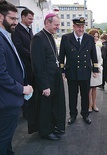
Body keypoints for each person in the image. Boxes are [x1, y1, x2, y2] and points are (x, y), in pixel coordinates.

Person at [0, 1, 33, 154]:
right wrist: (22, 89)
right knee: (3, 138)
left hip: (8, 100)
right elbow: (1, 74)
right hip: (6, 102)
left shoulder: (6, 36)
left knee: (6, 140)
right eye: (12, 19)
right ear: (1, 17)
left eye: (16, 19)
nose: (15, 23)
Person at [29, 13, 66, 141]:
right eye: (56, 25)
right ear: (47, 23)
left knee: (54, 105)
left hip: (54, 79)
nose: (58, 27)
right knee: (45, 108)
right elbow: (37, 65)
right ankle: (45, 131)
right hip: (46, 81)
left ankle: (53, 126)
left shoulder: (49, 36)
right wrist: (44, 86)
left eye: (58, 25)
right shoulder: (38, 38)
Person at [59, 16, 99, 125]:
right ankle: (73, 114)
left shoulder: (89, 38)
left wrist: (95, 69)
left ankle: (85, 114)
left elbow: (93, 55)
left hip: (85, 72)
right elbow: (61, 56)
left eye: (82, 26)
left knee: (85, 95)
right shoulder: (66, 38)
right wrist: (62, 71)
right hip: (71, 72)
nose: (81, 29)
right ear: (73, 26)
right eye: (78, 27)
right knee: (72, 95)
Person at [11, 9, 34, 119]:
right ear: (23, 17)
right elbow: (19, 48)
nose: (31, 21)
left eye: (32, 19)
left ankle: (30, 110)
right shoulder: (16, 30)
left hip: (31, 65)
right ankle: (26, 112)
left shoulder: (29, 30)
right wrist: (33, 55)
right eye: (29, 18)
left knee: (31, 87)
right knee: (25, 87)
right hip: (23, 65)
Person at [88, 28, 102, 112]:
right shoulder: (87, 46)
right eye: (94, 36)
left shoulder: (98, 47)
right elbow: (88, 60)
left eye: (97, 36)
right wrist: (93, 70)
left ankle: (94, 104)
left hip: (97, 70)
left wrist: (98, 67)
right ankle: (89, 105)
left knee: (94, 88)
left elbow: (100, 59)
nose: (96, 38)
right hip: (90, 71)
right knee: (88, 89)